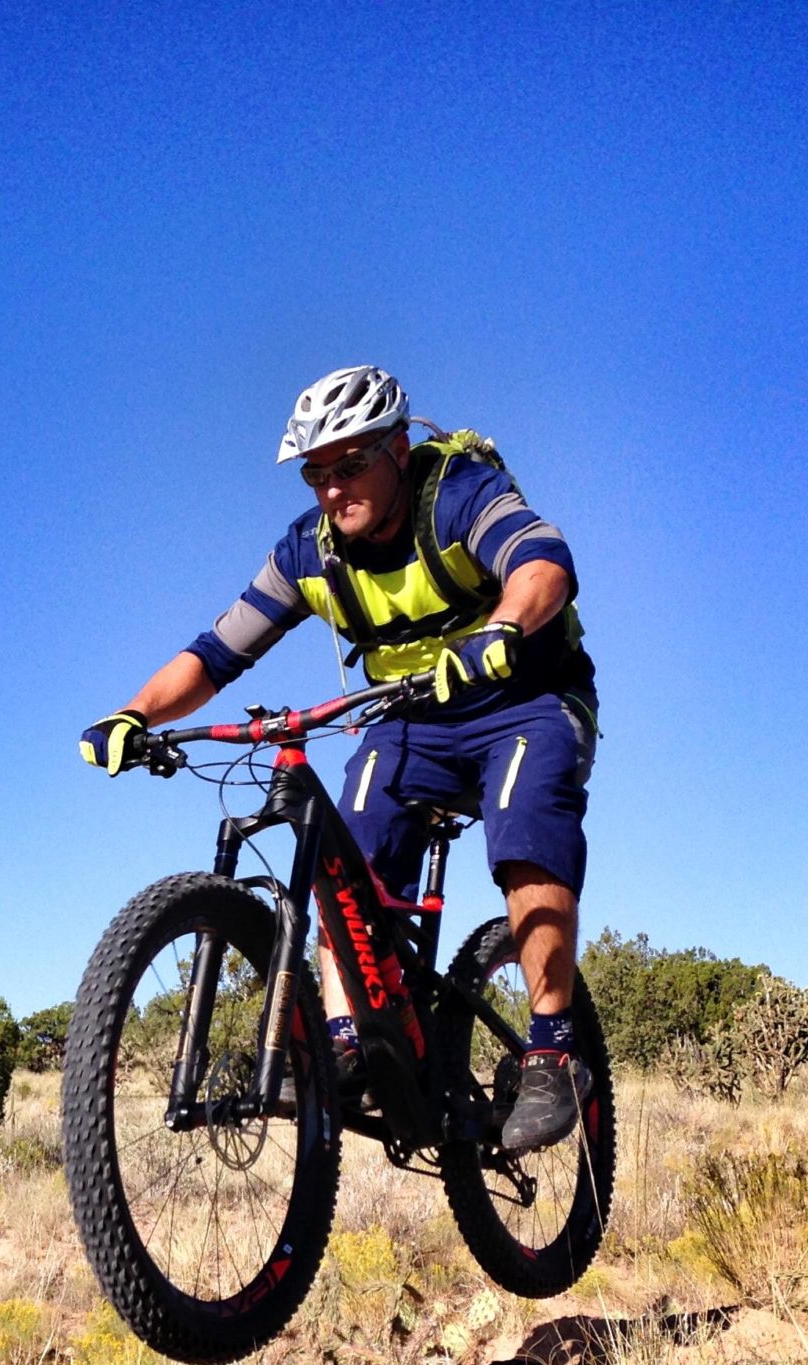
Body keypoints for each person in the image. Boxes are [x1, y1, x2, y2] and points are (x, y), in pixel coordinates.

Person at [79, 365, 598, 1150]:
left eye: (350, 465)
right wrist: (134, 712)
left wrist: (502, 629)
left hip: (524, 699)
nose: (331, 489)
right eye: (316, 473)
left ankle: (554, 1050)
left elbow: (541, 561)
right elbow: (217, 652)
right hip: (411, 719)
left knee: (525, 826)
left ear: (397, 448)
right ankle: (351, 1038)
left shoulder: (455, 493)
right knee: (345, 854)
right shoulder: (308, 553)